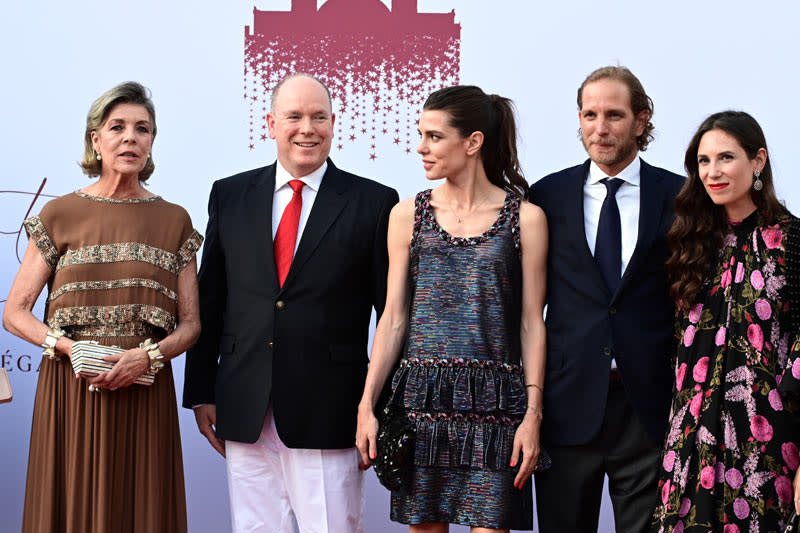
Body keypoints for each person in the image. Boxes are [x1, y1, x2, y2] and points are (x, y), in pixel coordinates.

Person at [182, 73, 398, 533]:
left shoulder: (374, 202)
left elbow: (391, 315)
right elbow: (210, 297)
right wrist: (201, 390)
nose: (307, 128)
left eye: (319, 117)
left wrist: (379, 406)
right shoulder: (230, 194)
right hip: (244, 405)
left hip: (331, 410)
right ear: (271, 123)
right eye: (295, 116)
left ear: (334, 123)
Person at [3, 81, 202, 533]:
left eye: (142, 129)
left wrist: (146, 357)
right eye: (118, 127)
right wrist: (67, 348)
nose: (130, 138)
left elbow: (191, 326)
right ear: (96, 139)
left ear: (152, 142)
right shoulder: (60, 214)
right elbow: (15, 312)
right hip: (71, 392)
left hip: (144, 391)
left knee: (142, 511)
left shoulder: (175, 220)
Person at [356, 85, 548, 532]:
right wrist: (367, 404)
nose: (421, 147)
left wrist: (533, 414)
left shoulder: (526, 218)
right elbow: (393, 318)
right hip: (421, 400)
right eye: (421, 134)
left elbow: (531, 323)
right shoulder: (408, 215)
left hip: (496, 403)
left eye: (434, 137)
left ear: (473, 141)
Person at [529, 66, 685, 533]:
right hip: (567, 401)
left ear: (641, 120)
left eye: (614, 115)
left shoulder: (681, 197)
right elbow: (529, 306)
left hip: (649, 405)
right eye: (590, 114)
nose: (600, 128)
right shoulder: (546, 196)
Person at [651, 111, 800, 532]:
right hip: (689, 443)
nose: (712, 172)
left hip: (767, 441)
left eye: (726, 158)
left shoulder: (791, 240)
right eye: (703, 161)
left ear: (758, 161)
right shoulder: (689, 242)